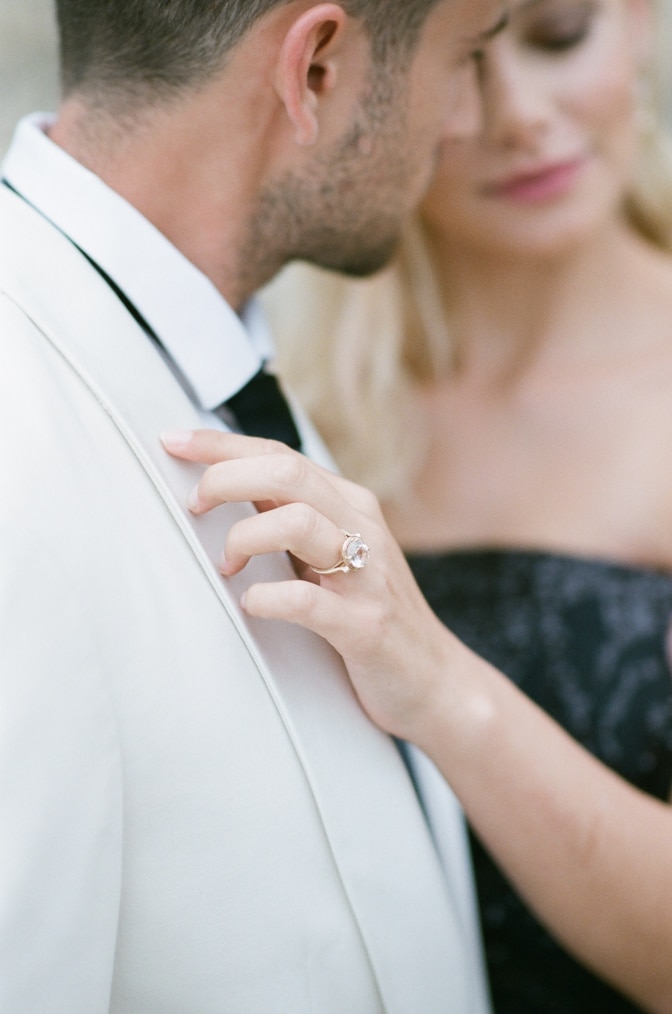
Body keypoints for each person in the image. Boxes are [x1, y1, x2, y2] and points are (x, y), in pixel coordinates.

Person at [0, 1, 509, 1011]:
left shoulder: (213, 357)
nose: (467, 122)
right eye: (467, 60)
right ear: (316, 66)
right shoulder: (20, 435)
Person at [171, 0, 672, 1010]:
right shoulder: (294, 398)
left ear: (637, 26)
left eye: (559, 35)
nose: (517, 117)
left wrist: (437, 683)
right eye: (471, 58)